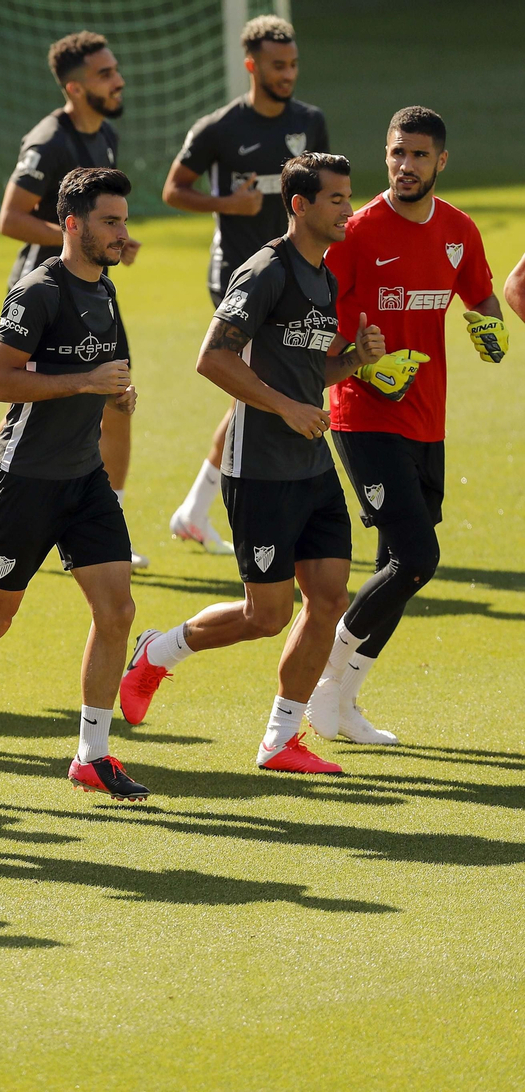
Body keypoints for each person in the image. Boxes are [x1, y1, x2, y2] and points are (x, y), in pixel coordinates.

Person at [121, 154, 386, 775]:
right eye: (337, 199)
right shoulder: (266, 270)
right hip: (259, 468)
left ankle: (279, 740)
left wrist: (353, 360)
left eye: (349, 197)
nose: (349, 209)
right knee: (266, 616)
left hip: (311, 465)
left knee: (328, 598)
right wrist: (286, 407)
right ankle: (159, 652)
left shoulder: (325, 278)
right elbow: (212, 358)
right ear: (300, 205)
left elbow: (306, 369)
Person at [0, 167, 145, 804]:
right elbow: (0, 381)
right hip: (23, 478)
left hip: (83, 477)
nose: (122, 234)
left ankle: (92, 755)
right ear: (72, 225)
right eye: (110, 222)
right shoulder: (37, 292)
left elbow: (105, 366)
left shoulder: (106, 289)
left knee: (117, 608)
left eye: (123, 221)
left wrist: (119, 392)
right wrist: (84, 383)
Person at [306, 108, 506, 743]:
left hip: (427, 419)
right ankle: (322, 684)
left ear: (441, 161)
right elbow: (323, 329)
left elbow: (479, 292)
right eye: (397, 153)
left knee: (398, 565)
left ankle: (345, 703)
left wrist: (488, 323)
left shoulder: (459, 230)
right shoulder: (357, 232)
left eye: (419, 156)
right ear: (385, 155)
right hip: (363, 416)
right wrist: (365, 370)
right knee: (421, 558)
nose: (405, 166)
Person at [163, 16, 329, 555]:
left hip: (297, 279)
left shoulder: (310, 121)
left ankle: (195, 509)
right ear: (251, 65)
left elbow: (326, 192)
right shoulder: (219, 128)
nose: (289, 74)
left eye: (295, 64)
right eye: (278, 65)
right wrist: (225, 205)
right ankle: (208, 506)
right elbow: (173, 189)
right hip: (241, 277)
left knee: (263, 389)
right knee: (257, 384)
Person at [0, 32, 145, 569]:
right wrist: (76, 237)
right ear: (76, 88)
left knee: (117, 395)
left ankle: (109, 524)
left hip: (94, 290)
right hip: (48, 289)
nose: (118, 80)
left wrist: (111, 238)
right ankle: (8, 499)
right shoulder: (47, 140)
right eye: (105, 74)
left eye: (115, 69)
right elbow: (10, 218)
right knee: (29, 404)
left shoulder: (105, 134)